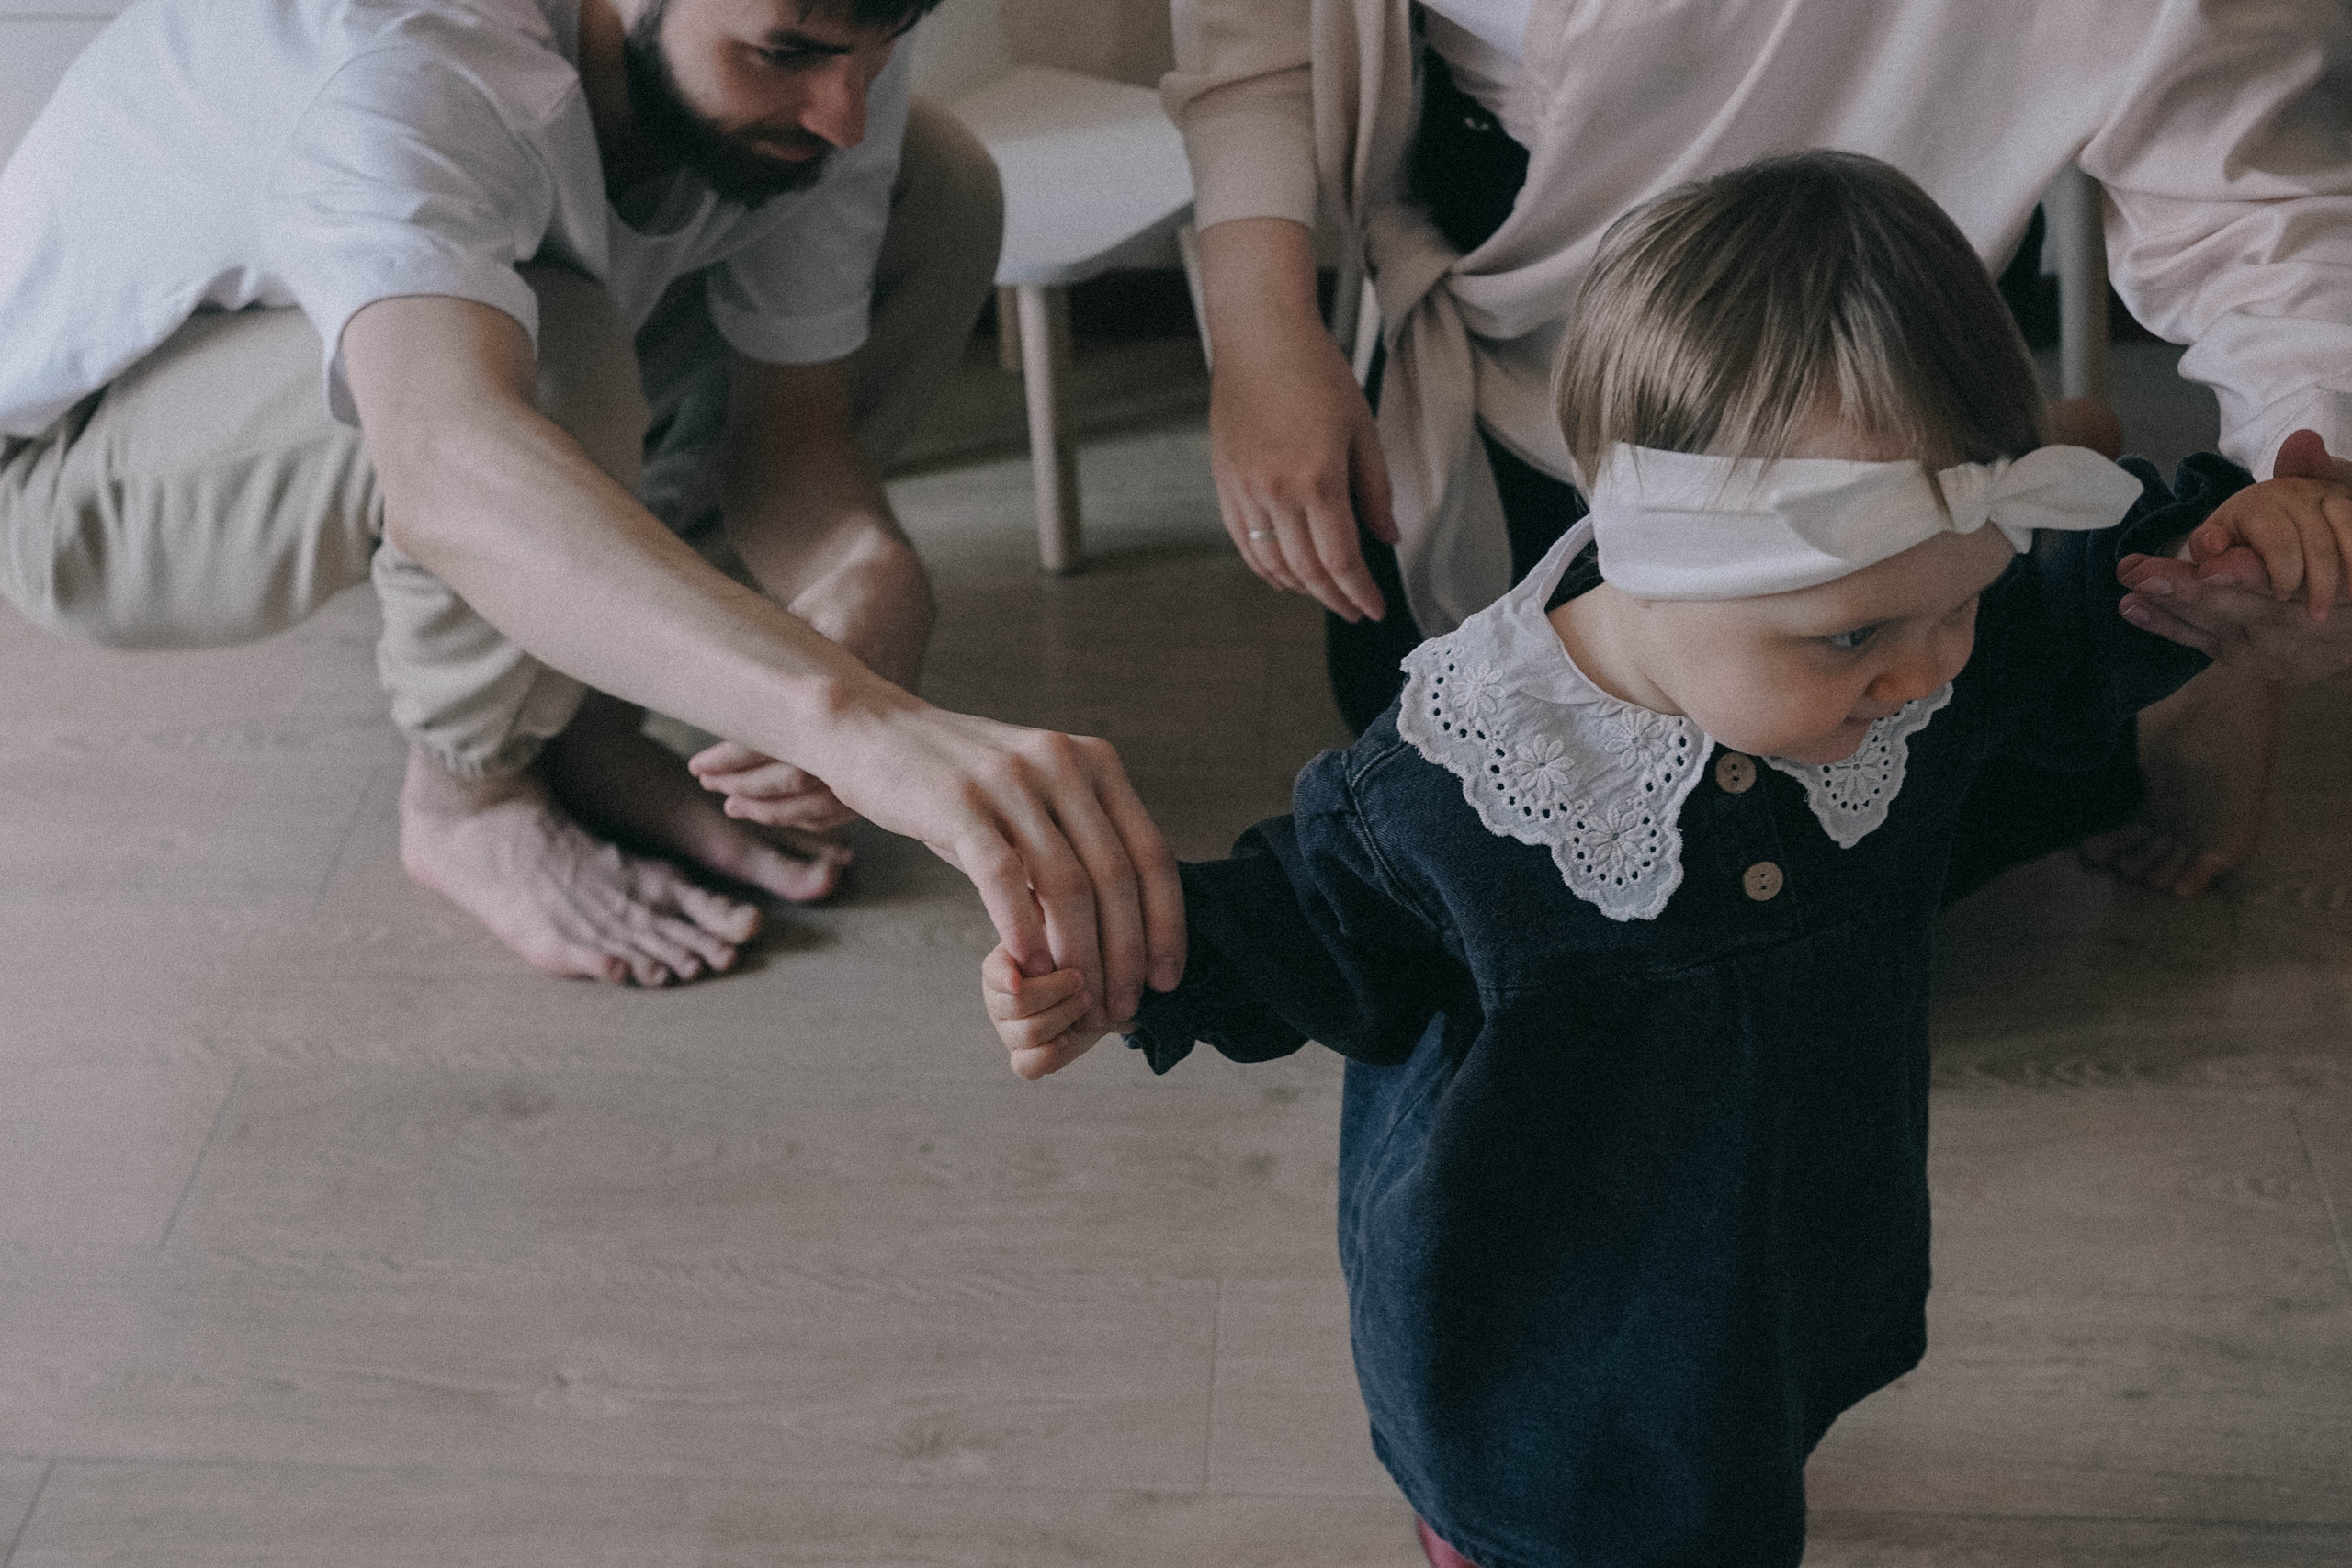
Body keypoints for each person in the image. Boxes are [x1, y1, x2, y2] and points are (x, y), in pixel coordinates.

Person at [978, 155, 2352, 1566]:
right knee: (1561, 1513)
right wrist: (1119, 964)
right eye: (1852, 636)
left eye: (1962, 602)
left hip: (1775, 1249)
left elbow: (2084, 606)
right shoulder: (1467, 781)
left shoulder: (1922, 653)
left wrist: (2241, 544)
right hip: (1540, 1328)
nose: (1927, 672)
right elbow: (1297, 925)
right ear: (1657, 568)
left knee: (1738, 1436)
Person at [0, 0, 1181, 1017]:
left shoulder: (822, 38)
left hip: (420, 364)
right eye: (785, 54)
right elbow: (448, 458)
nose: (842, 113)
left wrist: (869, 573)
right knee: (550, 359)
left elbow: (790, 439)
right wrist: (852, 722)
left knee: (939, 183)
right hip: (77, 477)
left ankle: (589, 717)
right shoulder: (402, 60)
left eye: (873, 51)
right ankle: (468, 794)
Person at [1170, 0, 2352, 899]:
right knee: (1485, 817)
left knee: (1835, 812)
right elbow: (1259, 35)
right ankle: (2050, 520)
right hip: (1503, 284)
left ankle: (2093, 605)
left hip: (1870, 341)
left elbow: (2252, 181)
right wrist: (1263, 331)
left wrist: (2311, 472)